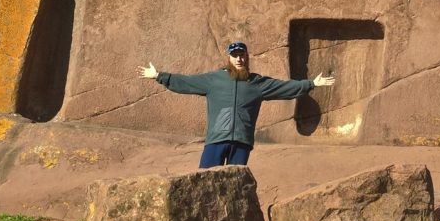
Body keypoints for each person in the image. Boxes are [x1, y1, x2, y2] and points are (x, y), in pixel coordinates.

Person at [138, 41, 335, 168]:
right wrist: (158, 76)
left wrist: (311, 84)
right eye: (235, 55)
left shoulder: (256, 83)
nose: (239, 58)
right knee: (205, 183)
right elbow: (186, 82)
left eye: (242, 55)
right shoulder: (214, 79)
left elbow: (283, 88)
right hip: (216, 140)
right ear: (229, 58)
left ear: (247, 57)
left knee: (237, 187)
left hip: (242, 142)